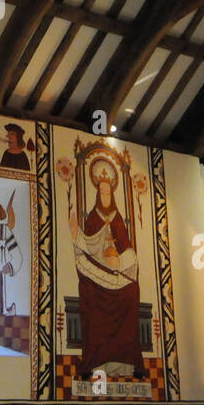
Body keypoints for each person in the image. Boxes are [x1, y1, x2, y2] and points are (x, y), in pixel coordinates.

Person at [69, 162, 144, 378]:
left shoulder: (118, 219)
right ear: (97, 194)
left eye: (108, 191)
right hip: (97, 273)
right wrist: (75, 232)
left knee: (131, 292)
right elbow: (86, 246)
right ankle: (94, 363)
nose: (105, 194)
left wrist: (122, 261)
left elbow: (127, 247)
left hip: (116, 272)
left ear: (112, 193)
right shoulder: (93, 218)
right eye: (101, 191)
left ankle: (127, 364)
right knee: (90, 295)